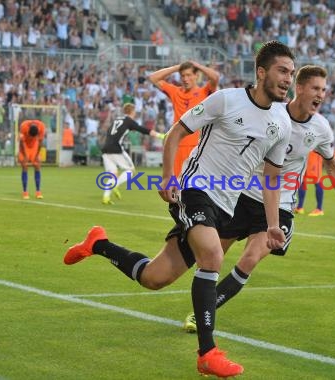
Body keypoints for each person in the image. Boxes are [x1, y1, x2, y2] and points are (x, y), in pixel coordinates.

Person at [63, 40, 296, 377]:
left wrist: (273, 224)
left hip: (226, 205)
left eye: (291, 72)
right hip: (194, 188)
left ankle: (98, 243)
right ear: (261, 72)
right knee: (213, 256)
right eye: (282, 71)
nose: (288, 78)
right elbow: (175, 133)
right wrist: (168, 178)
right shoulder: (226, 99)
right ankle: (207, 352)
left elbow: (272, 177)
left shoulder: (282, 123)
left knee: (155, 277)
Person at [182, 64, 335, 333]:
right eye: (316, 88)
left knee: (249, 259)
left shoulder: (321, 128)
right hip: (241, 197)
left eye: (324, 90)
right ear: (299, 88)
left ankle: (203, 317)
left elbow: (332, 165)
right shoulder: (272, 114)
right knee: (210, 258)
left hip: (279, 207)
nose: (321, 94)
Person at [148, 60, 219, 178]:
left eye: (189, 75)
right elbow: (153, 77)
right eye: (183, 76)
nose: (185, 79)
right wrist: (177, 67)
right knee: (175, 185)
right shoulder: (175, 92)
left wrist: (198, 65)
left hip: (196, 147)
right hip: (176, 146)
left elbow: (215, 77)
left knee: (193, 187)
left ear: (196, 75)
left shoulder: (204, 92)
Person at [100, 103, 164, 205]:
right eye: (134, 112)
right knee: (130, 170)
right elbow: (143, 130)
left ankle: (106, 197)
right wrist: (160, 135)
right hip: (116, 149)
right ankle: (115, 185)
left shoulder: (117, 119)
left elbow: (109, 132)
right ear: (132, 112)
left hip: (105, 149)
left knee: (113, 175)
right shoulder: (128, 121)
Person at [18, 119, 45, 199]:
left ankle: (38, 191)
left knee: (37, 165)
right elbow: (21, 143)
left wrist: (36, 155)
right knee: (25, 165)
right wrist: (25, 155)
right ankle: (25, 192)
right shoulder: (23, 126)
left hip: (34, 146)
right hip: (25, 145)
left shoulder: (41, 127)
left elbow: (40, 143)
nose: (31, 137)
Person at [294, 151, 325, 216]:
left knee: (317, 179)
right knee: (302, 179)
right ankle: (300, 207)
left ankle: (319, 209)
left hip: (315, 153)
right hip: (305, 153)